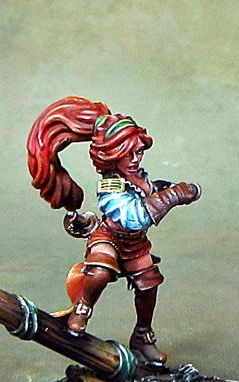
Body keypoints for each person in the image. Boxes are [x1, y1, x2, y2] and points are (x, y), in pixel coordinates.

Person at [27, 96, 201, 366]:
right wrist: (174, 196)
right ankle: (82, 308)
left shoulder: (139, 176)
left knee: (149, 284)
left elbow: (148, 194)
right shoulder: (110, 186)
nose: (135, 159)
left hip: (135, 244)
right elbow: (134, 216)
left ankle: (143, 337)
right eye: (128, 154)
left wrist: (166, 188)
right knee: (100, 272)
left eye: (138, 152)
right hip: (108, 237)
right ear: (112, 156)